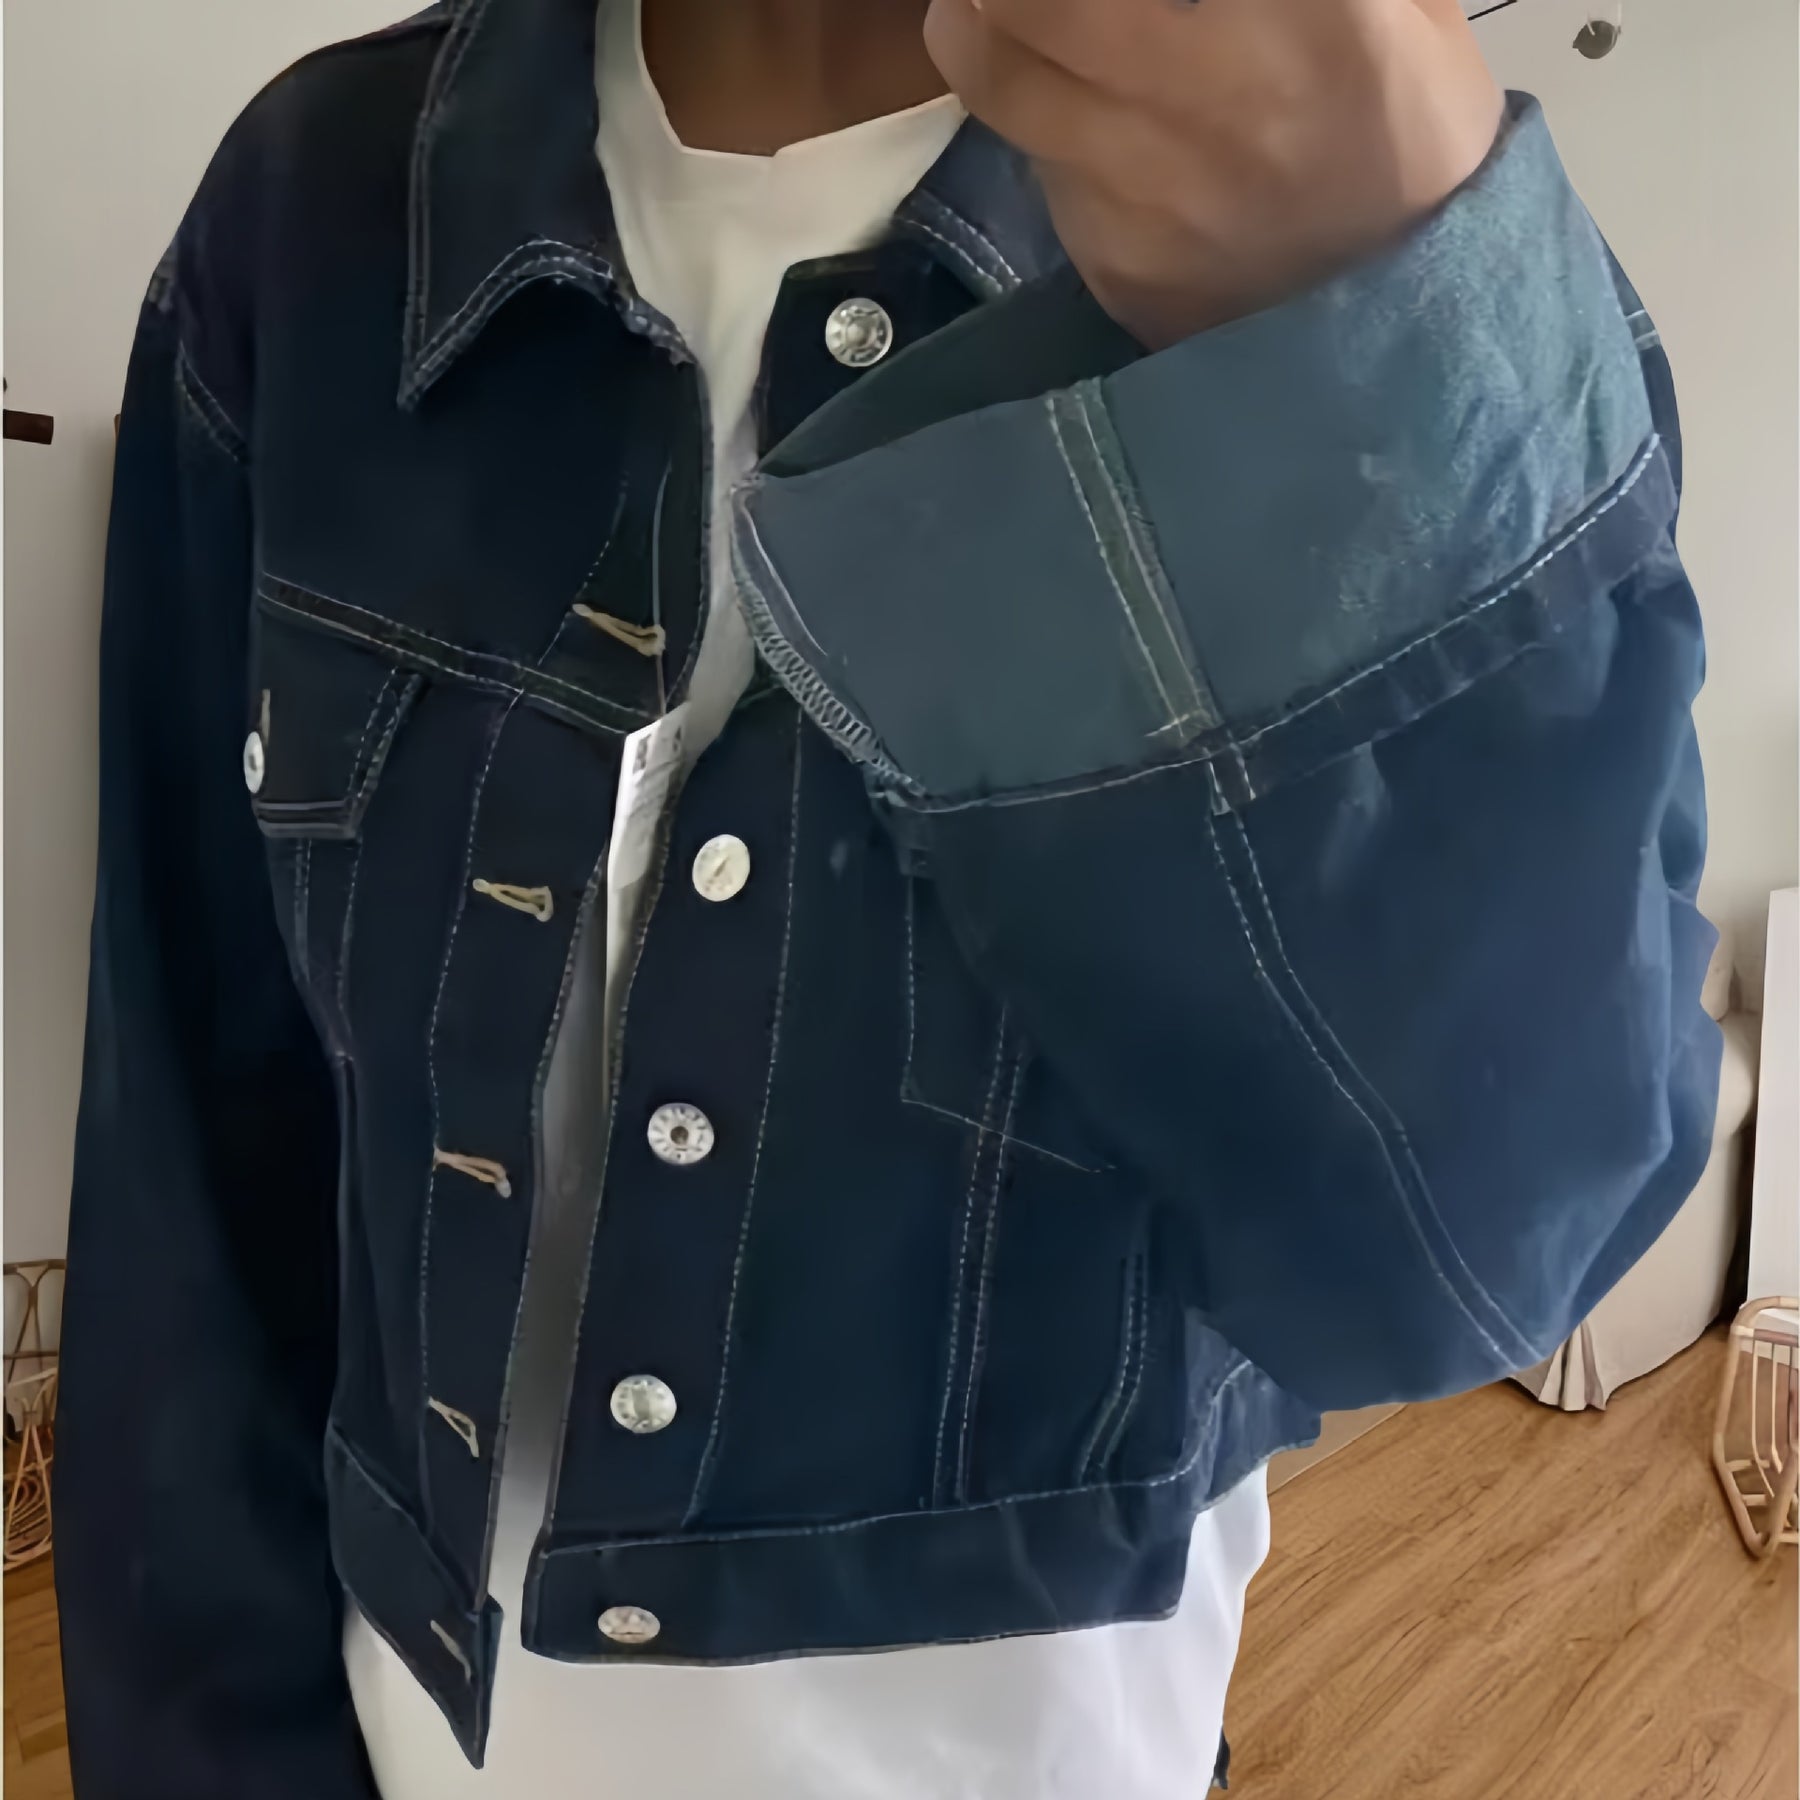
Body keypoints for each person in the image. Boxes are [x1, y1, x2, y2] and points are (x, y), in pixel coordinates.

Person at [53, 0, 1720, 1795]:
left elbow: (1487, 1261)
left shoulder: (1406, 248)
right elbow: (193, 1165)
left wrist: (1383, 347)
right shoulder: (318, 204)